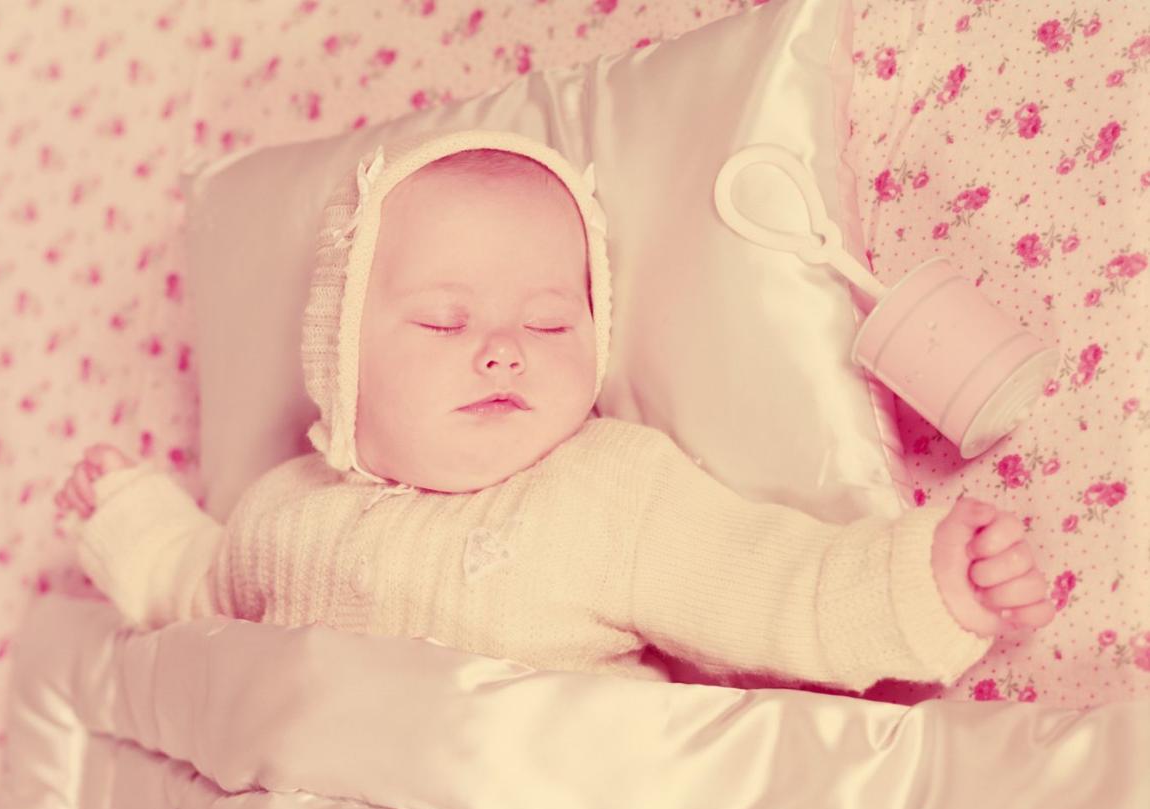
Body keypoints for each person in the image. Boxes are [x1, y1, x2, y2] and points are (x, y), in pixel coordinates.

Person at [54, 130, 1053, 692]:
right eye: (445, 323)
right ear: (340, 362)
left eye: (547, 321)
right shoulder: (282, 508)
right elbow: (193, 589)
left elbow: (772, 583)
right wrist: (133, 519)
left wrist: (930, 584)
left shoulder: (609, 489)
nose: (501, 348)